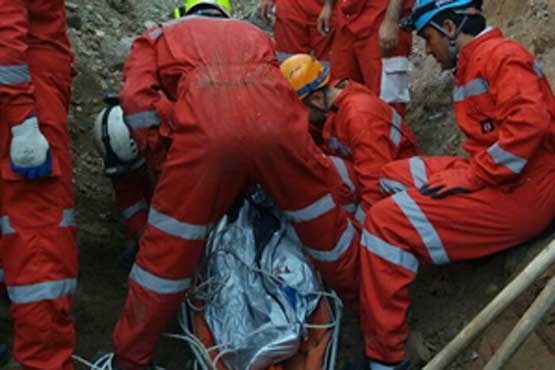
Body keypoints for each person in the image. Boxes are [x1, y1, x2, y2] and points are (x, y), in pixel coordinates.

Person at [93, 1, 361, 368]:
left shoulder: (157, 35)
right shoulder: (252, 33)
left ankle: (130, 359)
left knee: (164, 262)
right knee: (323, 225)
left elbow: (136, 102)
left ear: (182, 14)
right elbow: (276, 87)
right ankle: (365, 311)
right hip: (278, 127)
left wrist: (165, 155)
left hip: (206, 135)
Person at [358, 0, 555, 368]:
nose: (428, 52)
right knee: (390, 175)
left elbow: (529, 127)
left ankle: (386, 358)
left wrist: (473, 177)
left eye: (428, 38)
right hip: (501, 177)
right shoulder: (476, 60)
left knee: (385, 222)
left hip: (524, 194)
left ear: (450, 27)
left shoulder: (499, 56)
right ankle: (386, 280)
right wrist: (473, 174)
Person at [0, 1, 78, 369]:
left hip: (24, 87)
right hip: (27, 95)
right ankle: (43, 361)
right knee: (40, 242)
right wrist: (23, 119)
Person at [280, 54, 420, 223]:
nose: (301, 119)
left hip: (404, 191)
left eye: (300, 112)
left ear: (316, 99)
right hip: (385, 180)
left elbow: (376, 184)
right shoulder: (336, 106)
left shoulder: (358, 117)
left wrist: (361, 229)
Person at [317, 0, 414, 116]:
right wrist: (328, 6)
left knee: (387, 102)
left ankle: (385, 133)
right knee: (340, 94)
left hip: (381, 18)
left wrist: (391, 21)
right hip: (346, 20)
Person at [259, 0, 334, 61]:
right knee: (289, 60)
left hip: (328, 7)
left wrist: (329, 6)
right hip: (291, 7)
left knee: (329, 63)